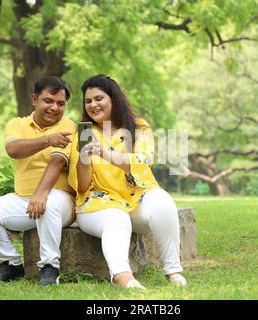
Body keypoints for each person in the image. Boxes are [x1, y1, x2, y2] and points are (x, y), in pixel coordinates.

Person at [68, 74, 187, 289]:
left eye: (98, 98)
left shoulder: (138, 127)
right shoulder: (85, 134)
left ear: (114, 99)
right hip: (98, 204)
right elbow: (83, 187)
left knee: (162, 201)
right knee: (115, 216)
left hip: (135, 199)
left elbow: (142, 161)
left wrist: (104, 153)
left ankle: (173, 271)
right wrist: (84, 159)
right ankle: (123, 277)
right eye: (88, 101)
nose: (93, 105)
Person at [0, 76, 76, 286]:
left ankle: (50, 268)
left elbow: (56, 162)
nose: (55, 108)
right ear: (34, 99)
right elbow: (14, 150)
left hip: (61, 201)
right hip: (24, 200)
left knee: (49, 203)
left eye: (61, 103)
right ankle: (11, 263)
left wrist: (41, 193)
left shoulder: (68, 125)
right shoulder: (17, 124)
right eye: (48, 101)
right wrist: (48, 139)